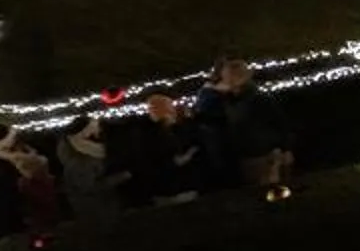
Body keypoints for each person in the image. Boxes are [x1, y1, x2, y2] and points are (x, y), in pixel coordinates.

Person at [199, 59, 295, 196]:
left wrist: (285, 149)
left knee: (269, 192)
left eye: (226, 77)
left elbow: (280, 123)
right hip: (247, 157)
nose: (223, 81)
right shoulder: (230, 99)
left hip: (262, 155)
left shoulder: (257, 99)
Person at [119, 94, 204, 203]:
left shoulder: (147, 134)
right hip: (175, 188)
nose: (173, 110)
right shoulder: (160, 134)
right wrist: (188, 155)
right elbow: (170, 160)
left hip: (162, 189)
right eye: (170, 107)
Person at [58, 116, 124, 220]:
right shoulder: (79, 162)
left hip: (102, 207)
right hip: (95, 210)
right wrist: (119, 178)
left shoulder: (91, 155)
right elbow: (89, 187)